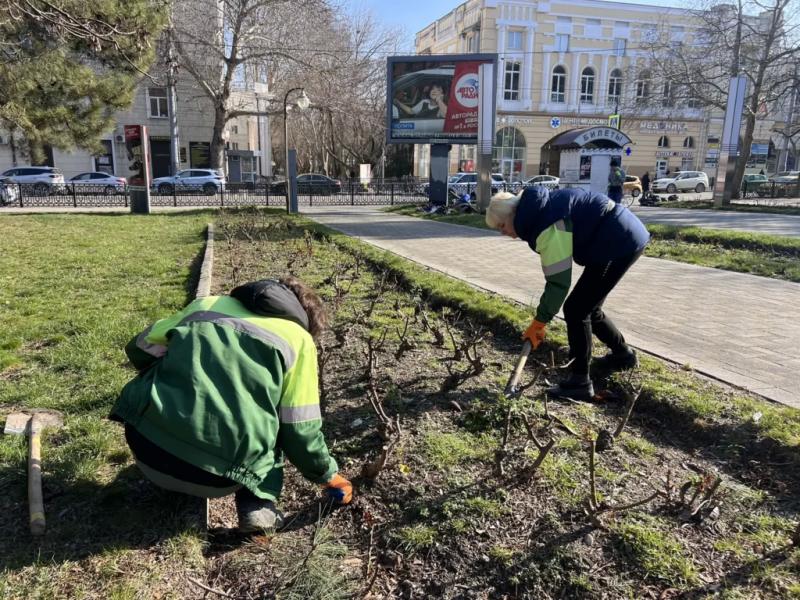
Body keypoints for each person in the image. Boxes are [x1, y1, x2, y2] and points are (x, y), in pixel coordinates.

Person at [111, 277, 353, 533]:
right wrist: (328, 476)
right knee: (274, 424)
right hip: (217, 480)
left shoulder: (207, 304)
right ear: (302, 319)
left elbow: (139, 349)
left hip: (145, 447)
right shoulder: (298, 340)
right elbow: (299, 430)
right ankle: (257, 505)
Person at [485, 187, 650, 400]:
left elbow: (558, 283)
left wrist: (540, 322)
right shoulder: (539, 211)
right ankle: (623, 356)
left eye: (502, 225)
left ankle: (580, 382)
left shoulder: (546, 223)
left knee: (576, 308)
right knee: (588, 306)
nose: (503, 232)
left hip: (618, 241)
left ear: (513, 214)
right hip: (616, 236)